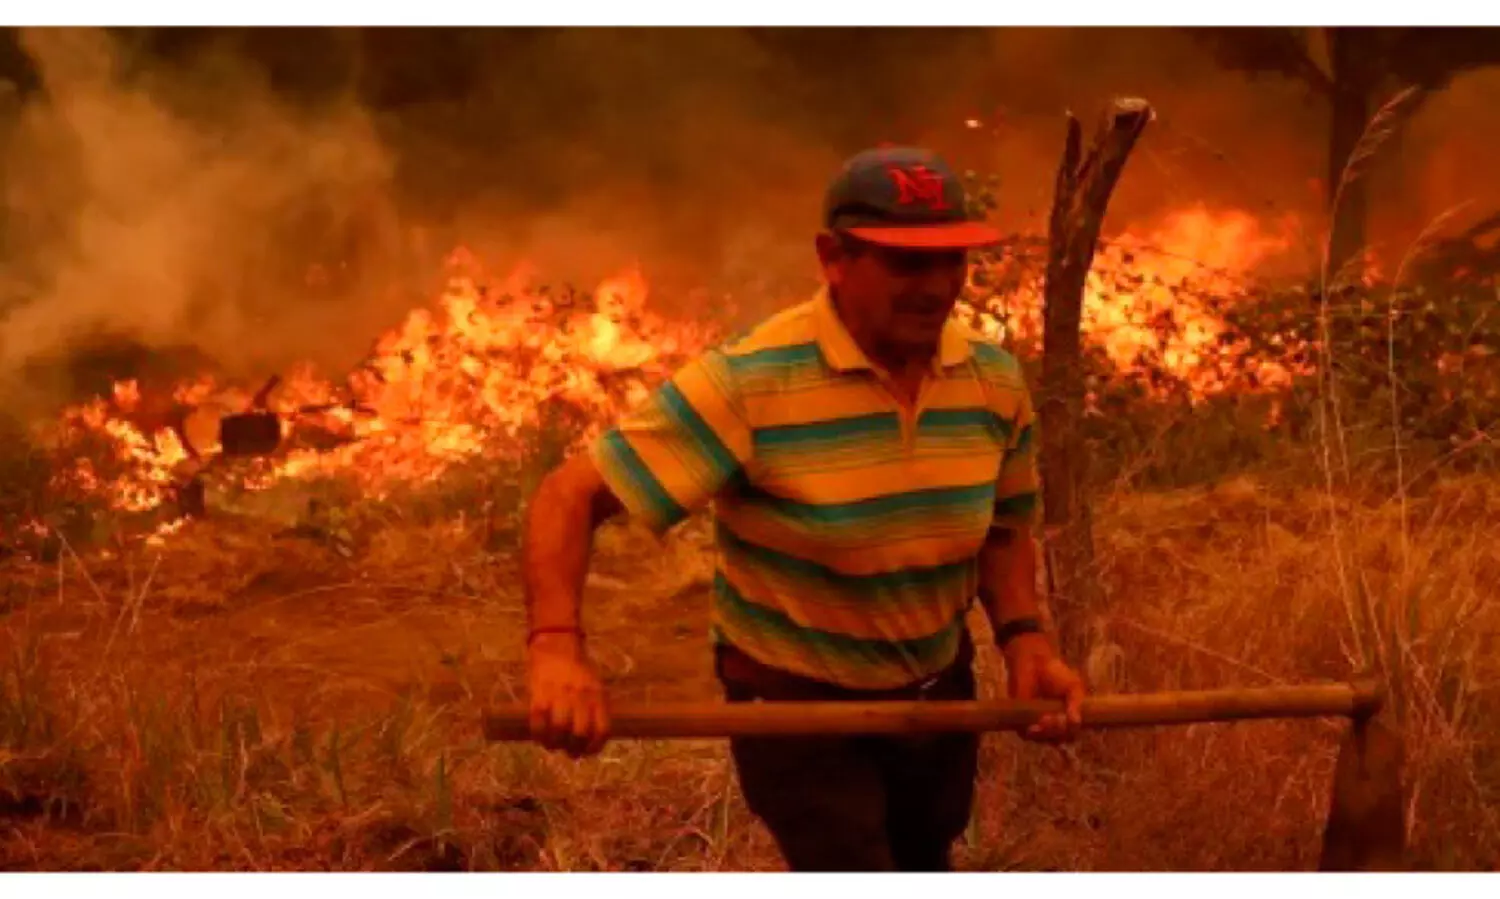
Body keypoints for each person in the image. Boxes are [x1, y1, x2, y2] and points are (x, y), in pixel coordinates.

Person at [521, 145, 1087, 872]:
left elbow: (1004, 527)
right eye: (906, 263)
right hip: (796, 707)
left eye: (952, 262)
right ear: (833, 257)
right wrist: (557, 650)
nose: (937, 286)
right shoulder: (752, 382)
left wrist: (1025, 641)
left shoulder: (993, 381)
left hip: (937, 694)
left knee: (925, 861)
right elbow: (570, 494)